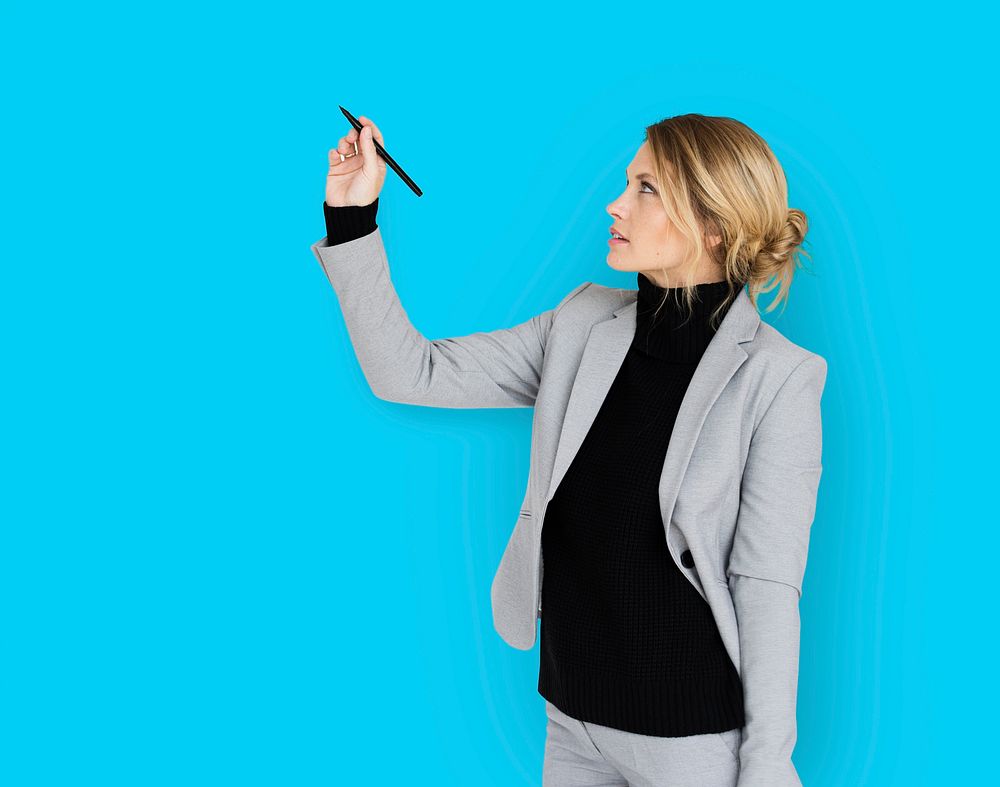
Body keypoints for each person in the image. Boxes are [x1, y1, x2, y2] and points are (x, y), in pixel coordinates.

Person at [311, 114, 827, 787]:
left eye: (647, 188)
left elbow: (765, 587)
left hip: (689, 741)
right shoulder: (582, 322)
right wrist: (353, 216)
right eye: (626, 182)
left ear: (715, 225)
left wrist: (766, 768)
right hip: (573, 717)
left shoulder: (778, 376)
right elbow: (412, 372)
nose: (615, 203)